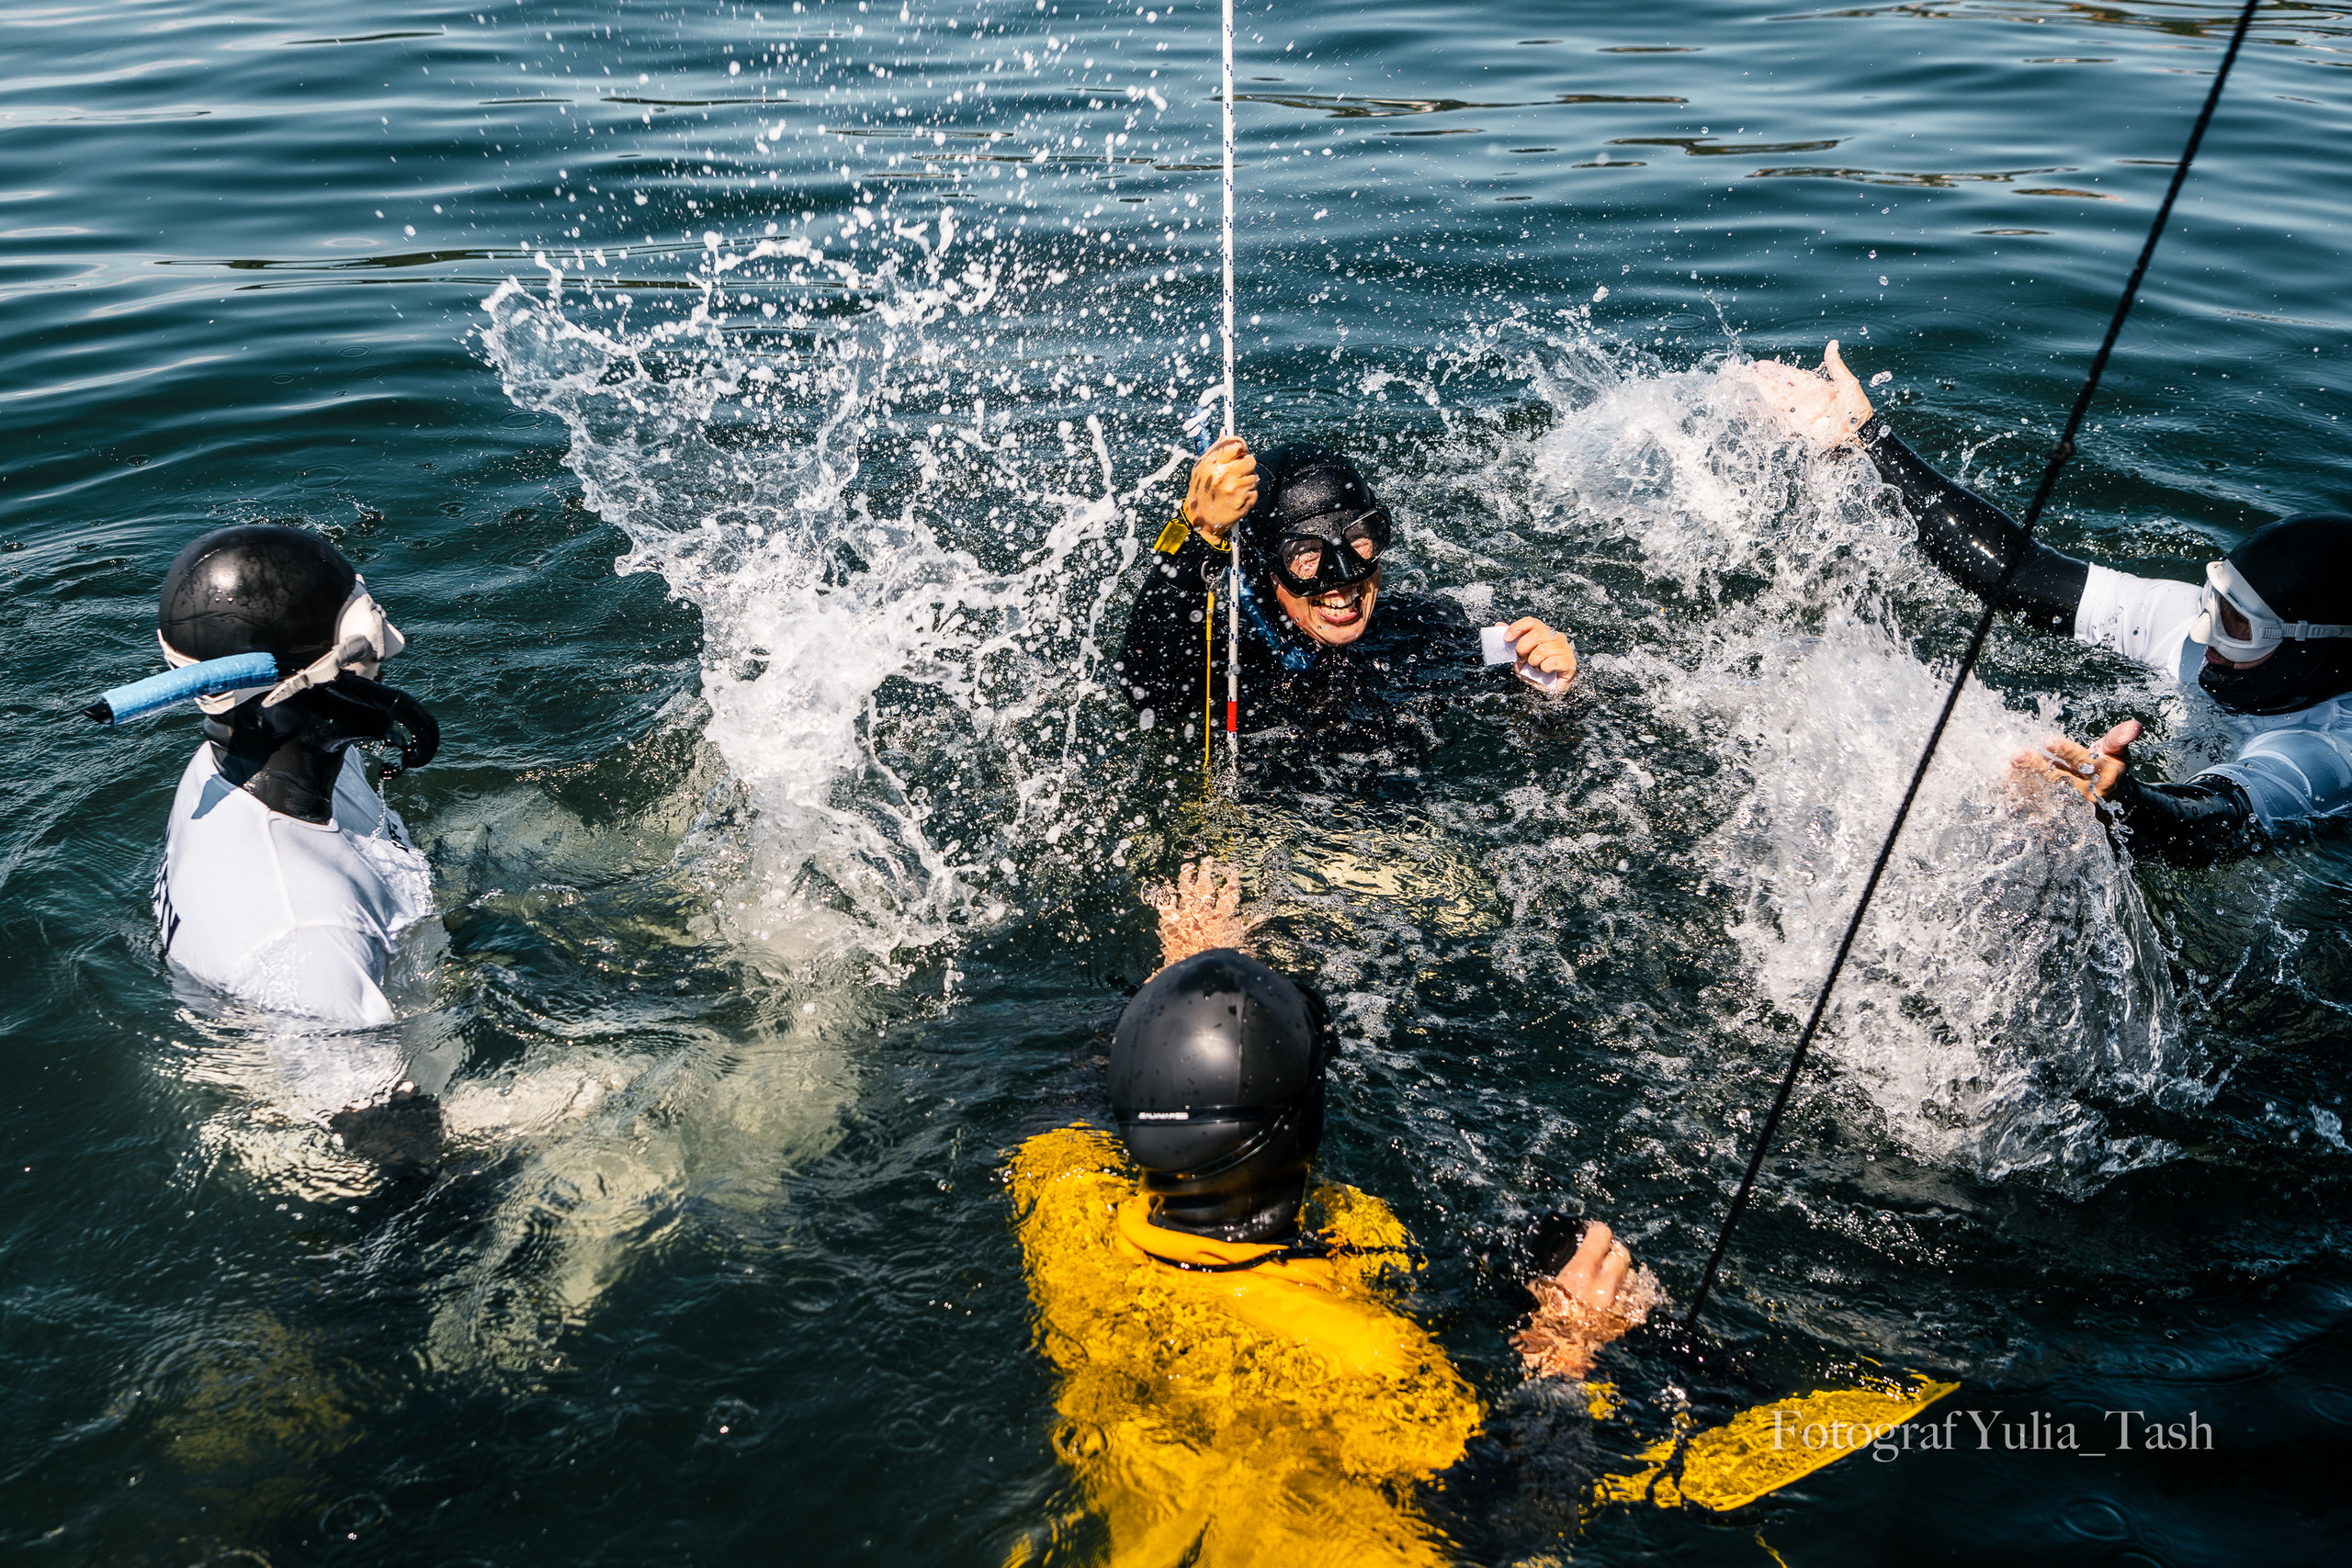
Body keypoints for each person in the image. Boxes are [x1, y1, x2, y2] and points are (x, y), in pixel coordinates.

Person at [1008, 863, 1951, 1564]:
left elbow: (1078, 1092)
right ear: (1305, 1121)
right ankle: (1731, 1436)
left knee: (1530, 1246)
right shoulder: (1365, 1358)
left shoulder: (1063, 1212)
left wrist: (1193, 978)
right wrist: (1562, 1358)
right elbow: (1507, 1529)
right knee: (1578, 1294)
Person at [1747, 343, 2352, 865]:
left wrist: (2127, 802)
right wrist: (1865, 439)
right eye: (2213, 600)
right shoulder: (2195, 631)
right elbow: (2023, 577)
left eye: (2238, 625)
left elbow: (2216, 822)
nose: (2205, 632)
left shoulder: (2324, 751)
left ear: (2311, 650)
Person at [143, 524, 442, 1027]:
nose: (393, 647)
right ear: (303, 685)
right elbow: (360, 1105)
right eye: (367, 644)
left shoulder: (233, 767)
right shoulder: (313, 938)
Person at [1114, 437, 1579, 742]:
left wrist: (1548, 690)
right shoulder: (1233, 659)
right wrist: (1196, 531)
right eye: (1305, 554)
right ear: (1267, 565)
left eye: (1359, 541)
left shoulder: (1417, 630)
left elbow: (1534, 733)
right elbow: (1142, 686)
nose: (1342, 579)